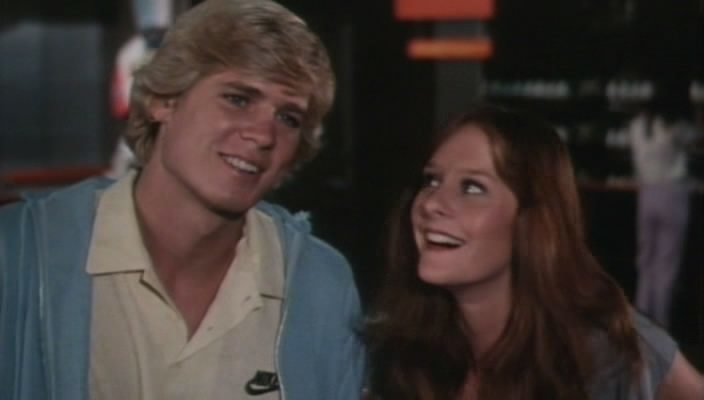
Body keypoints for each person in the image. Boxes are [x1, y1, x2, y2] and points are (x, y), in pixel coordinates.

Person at [0, 1, 365, 399]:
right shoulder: (19, 255)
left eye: (288, 118)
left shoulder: (319, 282)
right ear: (165, 101)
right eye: (238, 99)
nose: (263, 135)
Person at [364, 103, 704, 399]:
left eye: (472, 188)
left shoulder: (607, 349)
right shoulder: (393, 351)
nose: (431, 204)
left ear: (532, 220)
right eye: (432, 180)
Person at [627, 82, 702, 329]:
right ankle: (660, 325)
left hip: (646, 194)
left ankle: (641, 324)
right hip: (673, 194)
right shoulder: (677, 127)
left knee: (645, 262)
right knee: (666, 265)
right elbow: (698, 138)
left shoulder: (638, 125)